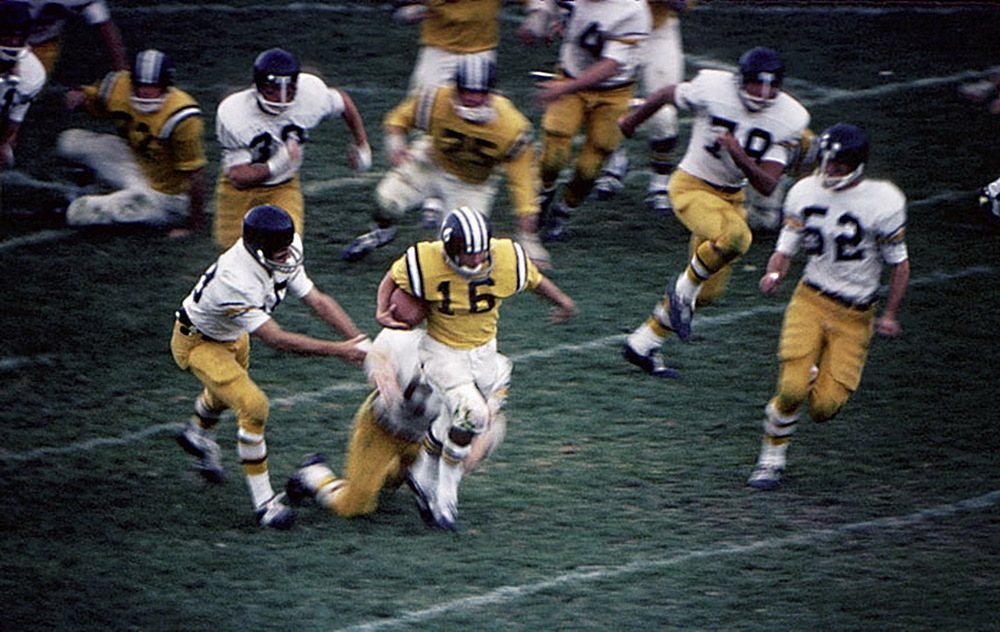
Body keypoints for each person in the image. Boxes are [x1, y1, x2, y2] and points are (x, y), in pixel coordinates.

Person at [170, 204, 370, 529]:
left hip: (233, 334)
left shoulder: (284, 249)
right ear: (257, 248)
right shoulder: (236, 278)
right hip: (198, 341)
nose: (286, 257)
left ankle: (197, 435)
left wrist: (358, 340)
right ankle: (266, 505)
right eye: (278, 252)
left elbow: (316, 299)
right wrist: (338, 350)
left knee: (224, 393)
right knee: (253, 406)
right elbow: (277, 339)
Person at [376, 206, 575, 530]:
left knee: (455, 419)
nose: (478, 258)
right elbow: (393, 276)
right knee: (474, 415)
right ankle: (446, 494)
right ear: (451, 249)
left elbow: (534, 280)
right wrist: (382, 308)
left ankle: (423, 471)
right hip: (442, 351)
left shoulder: (505, 256)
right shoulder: (426, 260)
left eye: (482, 249)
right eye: (469, 253)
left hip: (484, 351)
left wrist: (563, 302)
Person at [619, 46, 810, 378]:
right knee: (736, 238)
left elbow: (766, 184)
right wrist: (631, 120)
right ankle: (681, 291)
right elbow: (666, 93)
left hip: (731, 198)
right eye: (756, 84)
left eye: (771, 86)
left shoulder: (791, 118)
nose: (763, 94)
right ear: (741, 80)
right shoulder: (713, 87)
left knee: (707, 291)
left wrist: (739, 155)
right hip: (691, 185)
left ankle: (642, 344)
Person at [746, 123, 910, 490]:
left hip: (856, 314)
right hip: (811, 298)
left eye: (837, 164)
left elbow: (899, 263)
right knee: (790, 390)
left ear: (855, 165)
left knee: (824, 409)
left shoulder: (883, 201)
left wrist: (890, 314)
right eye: (827, 161)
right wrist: (774, 274)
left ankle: (809, 379)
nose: (829, 169)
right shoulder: (805, 191)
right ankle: (770, 460)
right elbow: (786, 246)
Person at [341, 56, 551, 269]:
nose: (471, 98)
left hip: (471, 184)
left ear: (490, 92)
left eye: (478, 92)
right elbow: (399, 119)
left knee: (458, 248)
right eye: (465, 90)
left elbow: (524, 185)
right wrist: (396, 144)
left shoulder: (512, 127)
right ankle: (382, 232)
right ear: (456, 87)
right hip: (431, 162)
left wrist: (528, 239)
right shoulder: (437, 99)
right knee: (386, 201)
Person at [213, 47, 371, 250]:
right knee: (236, 255)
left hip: (284, 186)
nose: (281, 99)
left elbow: (343, 103)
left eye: (289, 90)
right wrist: (277, 164)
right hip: (239, 194)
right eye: (273, 89)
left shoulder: (310, 96)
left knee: (288, 249)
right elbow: (238, 177)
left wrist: (362, 144)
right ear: (258, 86)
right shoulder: (236, 113)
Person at [284, 327, 447, 520]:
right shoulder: (408, 339)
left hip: (423, 437)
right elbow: (383, 346)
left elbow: (484, 420)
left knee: (393, 483)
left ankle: (380, 475)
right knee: (354, 506)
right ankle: (314, 475)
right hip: (382, 427)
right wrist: (382, 371)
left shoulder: (481, 361)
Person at [533, 0, 651, 242]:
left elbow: (609, 66)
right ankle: (544, 192)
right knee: (554, 151)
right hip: (571, 74)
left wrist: (563, 90)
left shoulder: (633, 9)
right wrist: (543, 20)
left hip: (613, 90)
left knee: (590, 167)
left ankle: (563, 211)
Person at [58, 49, 206, 236]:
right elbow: (95, 98)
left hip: (166, 195)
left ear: (166, 85)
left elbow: (195, 174)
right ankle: (81, 189)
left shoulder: (181, 116)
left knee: (80, 213)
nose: (145, 91)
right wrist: (79, 96)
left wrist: (193, 225)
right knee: (70, 142)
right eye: (140, 85)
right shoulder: (119, 87)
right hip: (135, 162)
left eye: (154, 86)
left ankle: (67, 209)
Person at [592, 0, 694, 216]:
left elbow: (682, 4)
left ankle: (660, 183)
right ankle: (614, 164)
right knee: (605, 101)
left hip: (656, 32)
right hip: (612, 30)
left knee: (663, 111)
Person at [24, 0, 127, 75]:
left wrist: (121, 67)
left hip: (42, 45)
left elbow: (104, 27)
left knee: (29, 87)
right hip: (13, 37)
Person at [0, 0, 46, 170]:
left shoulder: (32, 74)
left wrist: (4, 143)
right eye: (7, 34)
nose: (12, 42)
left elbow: (15, 117)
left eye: (17, 36)